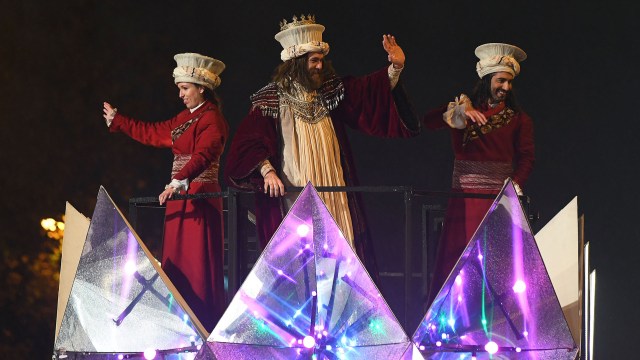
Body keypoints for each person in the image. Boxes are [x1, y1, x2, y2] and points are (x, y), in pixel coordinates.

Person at [224, 15, 419, 280]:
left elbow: (365, 92)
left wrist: (394, 67)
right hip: (295, 188)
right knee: (299, 255)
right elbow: (249, 142)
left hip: (332, 187)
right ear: (296, 64)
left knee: (339, 247)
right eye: (313, 61)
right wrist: (267, 171)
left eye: (320, 60)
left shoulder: (329, 91)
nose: (319, 66)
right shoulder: (270, 97)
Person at [102, 53, 229, 331]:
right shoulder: (185, 118)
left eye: (185, 89)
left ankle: (202, 324)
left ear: (201, 89)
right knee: (175, 262)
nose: (181, 95)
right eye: (180, 89)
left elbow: (205, 155)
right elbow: (153, 132)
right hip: (178, 196)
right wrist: (120, 121)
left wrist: (179, 180)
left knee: (196, 263)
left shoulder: (213, 119)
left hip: (199, 196)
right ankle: (176, 325)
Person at [423, 43, 534, 305]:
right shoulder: (463, 113)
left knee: (498, 267)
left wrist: (515, 185)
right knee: (458, 261)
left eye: (509, 82)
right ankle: (450, 327)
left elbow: (527, 158)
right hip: (464, 201)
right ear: (487, 80)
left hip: (498, 203)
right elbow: (428, 121)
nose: (506, 87)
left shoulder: (519, 120)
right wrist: (460, 110)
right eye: (501, 81)